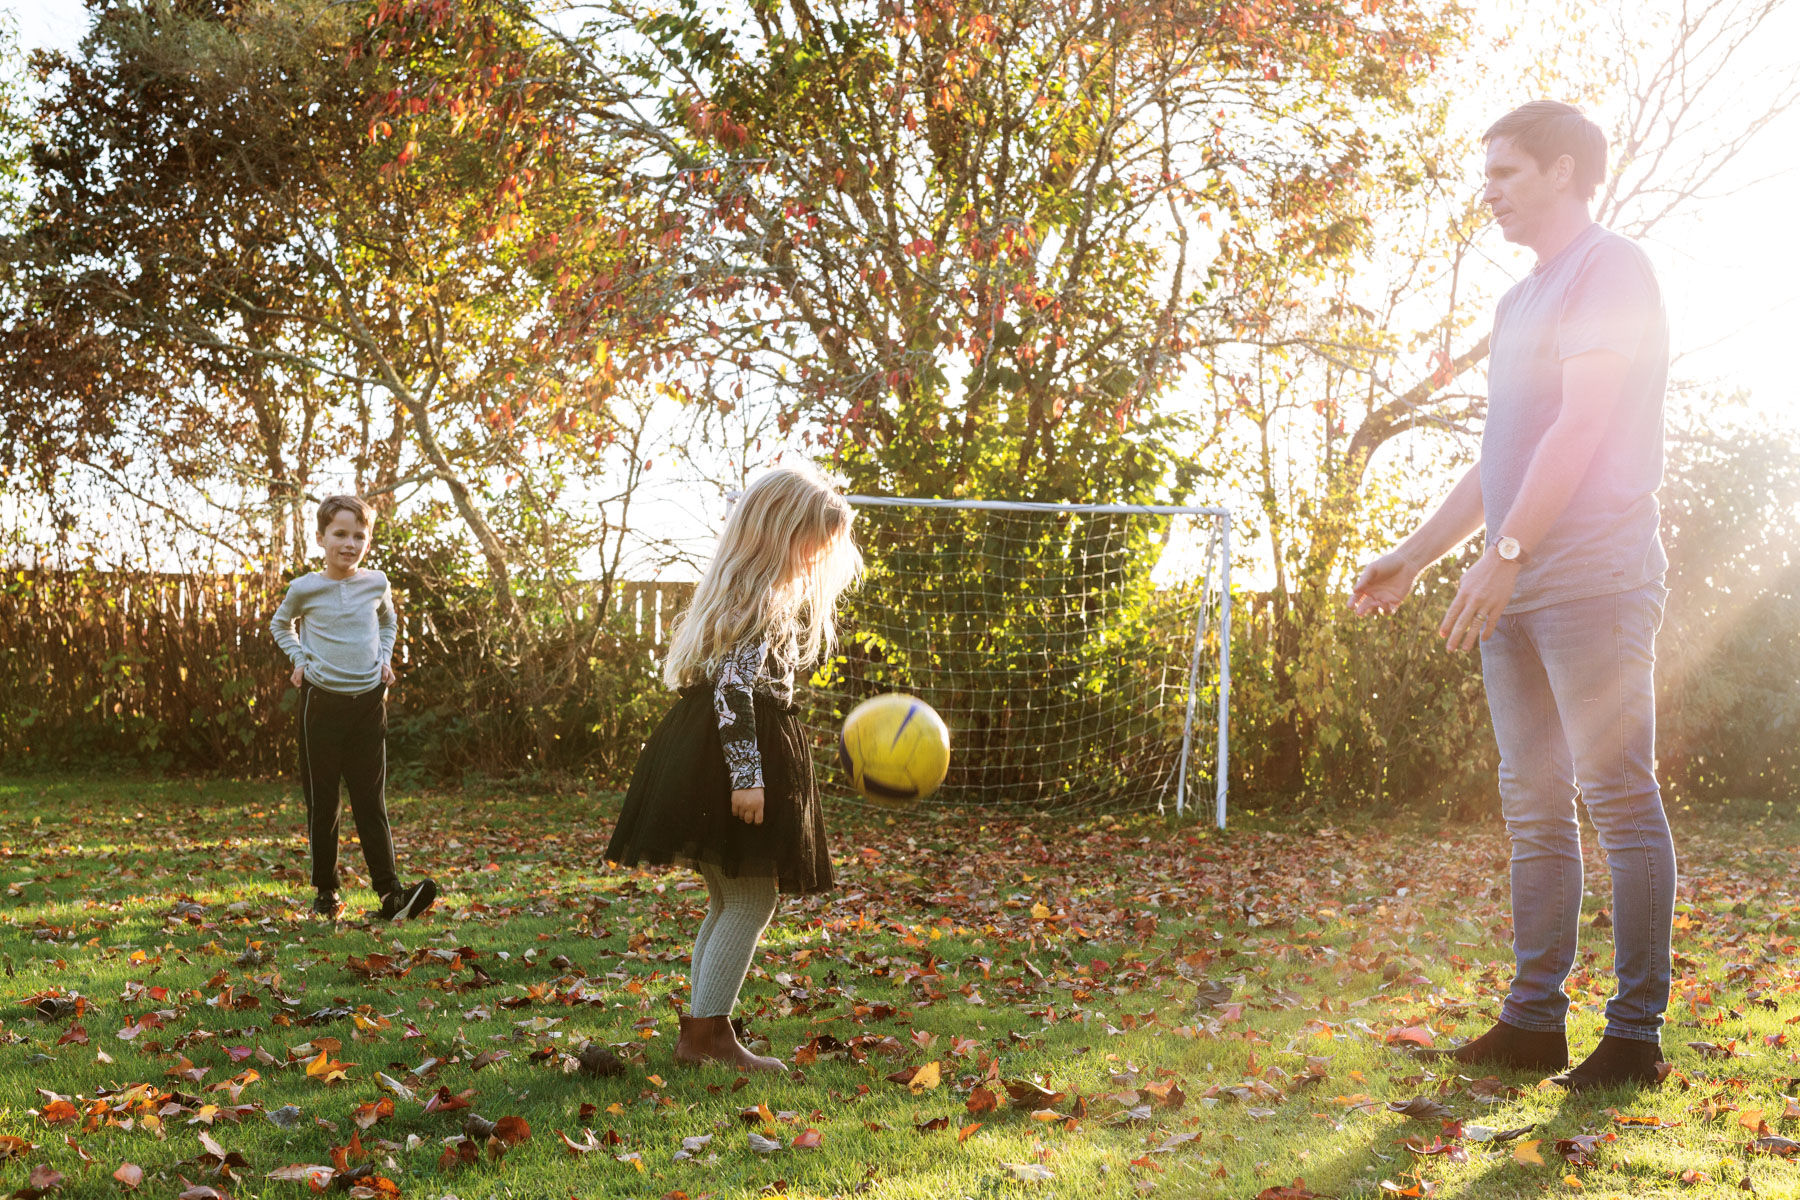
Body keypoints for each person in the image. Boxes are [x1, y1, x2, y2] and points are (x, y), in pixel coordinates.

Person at [1351, 101, 1674, 1091]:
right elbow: (1502, 456)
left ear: (1567, 169)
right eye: (1486, 173)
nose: (1488, 190)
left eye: (1507, 172)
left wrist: (1510, 550)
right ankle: (1534, 1021)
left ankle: (1634, 1037)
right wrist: (1414, 551)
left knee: (1617, 797)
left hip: (1594, 580)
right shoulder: (1517, 300)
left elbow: (1580, 429)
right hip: (1521, 582)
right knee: (1533, 805)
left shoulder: (1610, 269)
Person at [605, 466, 862, 1072]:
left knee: (729, 900)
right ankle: (708, 1039)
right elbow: (733, 690)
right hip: (732, 760)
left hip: (704, 753)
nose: (819, 557)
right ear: (780, 533)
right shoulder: (765, 596)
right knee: (751, 901)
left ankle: (702, 1029)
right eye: (814, 543)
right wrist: (749, 777)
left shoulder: (740, 591)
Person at [271, 495, 438, 923]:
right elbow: (279, 624)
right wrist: (300, 658)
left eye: (359, 535)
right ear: (321, 537)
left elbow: (388, 622)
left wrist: (384, 657)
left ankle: (391, 895)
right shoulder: (304, 588)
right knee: (323, 803)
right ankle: (326, 892)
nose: (350, 543)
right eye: (340, 534)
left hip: (368, 705)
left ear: (368, 540)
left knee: (370, 801)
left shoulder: (376, 583)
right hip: (321, 704)